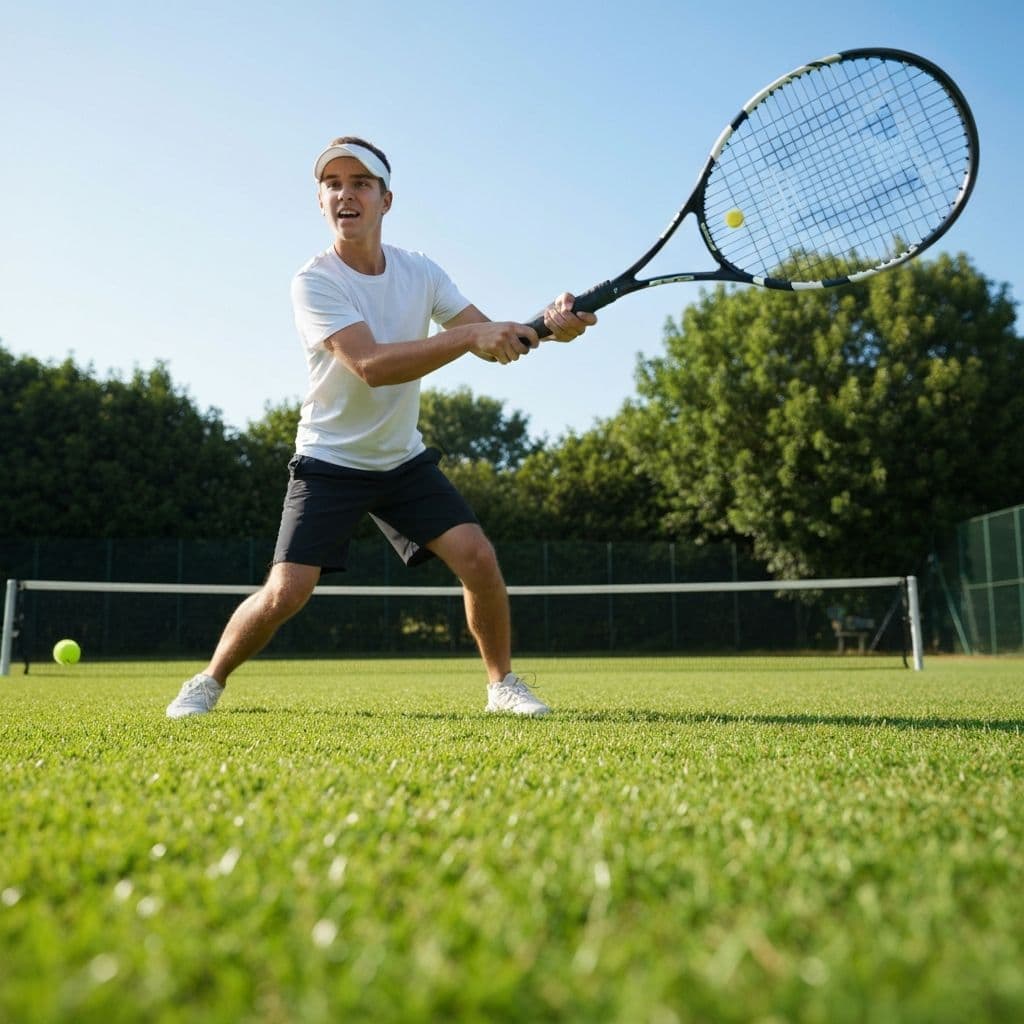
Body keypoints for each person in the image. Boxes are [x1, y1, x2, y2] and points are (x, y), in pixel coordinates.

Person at [166, 136, 596, 719]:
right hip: (329, 459)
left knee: (478, 558)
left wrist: (548, 325)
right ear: (320, 201)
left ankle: (502, 686)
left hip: (400, 460)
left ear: (385, 200)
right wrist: (472, 336)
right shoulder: (314, 281)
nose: (345, 194)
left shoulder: (421, 271)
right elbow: (370, 366)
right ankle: (208, 680)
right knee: (287, 591)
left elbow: (490, 339)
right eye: (333, 184)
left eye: (361, 183)